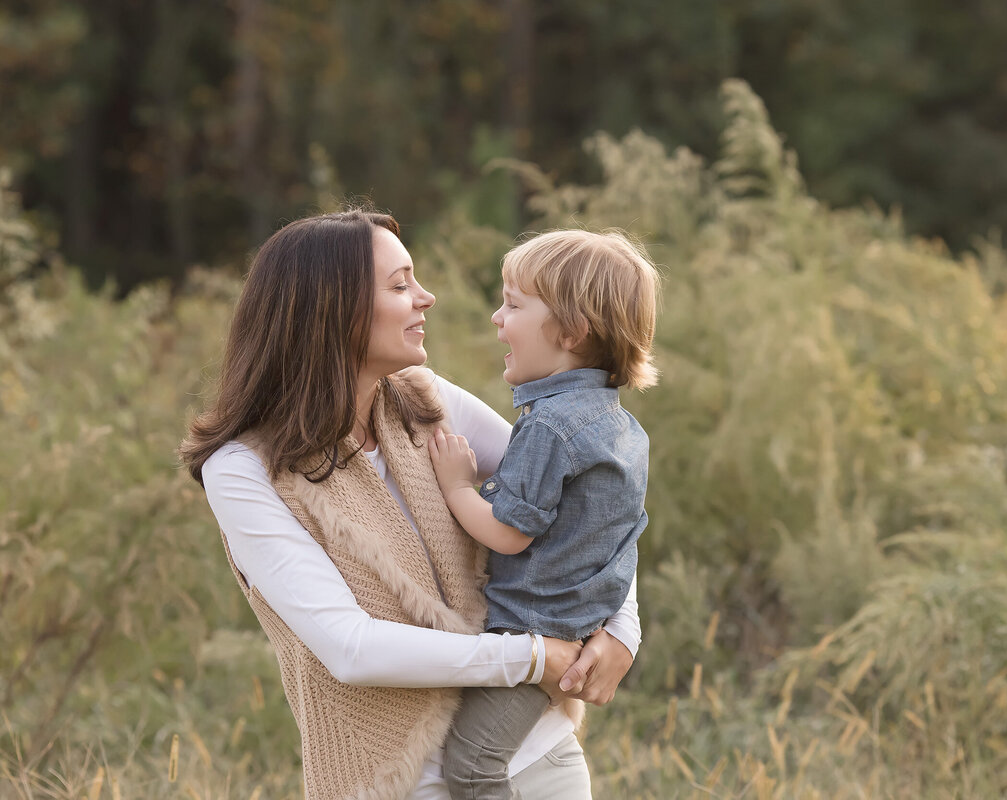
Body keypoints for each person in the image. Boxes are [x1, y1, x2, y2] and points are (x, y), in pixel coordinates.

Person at [178, 210, 641, 800]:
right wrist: (528, 659)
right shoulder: (244, 472)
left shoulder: (428, 400)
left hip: (539, 762)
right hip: (404, 783)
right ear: (331, 309)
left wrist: (624, 630)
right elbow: (350, 648)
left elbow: (592, 508)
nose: (426, 298)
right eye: (400, 285)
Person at [428, 230, 658, 800]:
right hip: (575, 627)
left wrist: (458, 487)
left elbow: (507, 535)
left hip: (532, 630)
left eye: (512, 304)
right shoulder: (622, 427)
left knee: (473, 767)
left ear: (571, 331)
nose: (496, 318)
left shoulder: (551, 427)